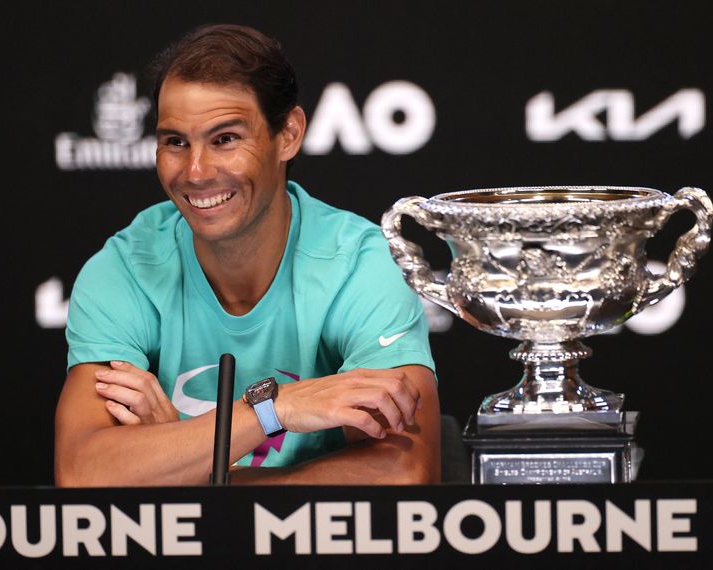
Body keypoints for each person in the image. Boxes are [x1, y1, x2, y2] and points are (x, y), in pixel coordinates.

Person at [54, 24, 440, 486]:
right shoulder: (124, 269)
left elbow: (405, 473)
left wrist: (194, 472)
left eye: (225, 139)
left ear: (289, 134)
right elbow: (83, 473)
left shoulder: (359, 265)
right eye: (176, 142)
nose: (195, 172)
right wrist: (273, 410)